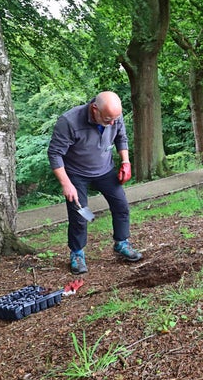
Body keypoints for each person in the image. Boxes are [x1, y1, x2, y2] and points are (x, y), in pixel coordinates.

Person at [47, 91, 142, 275]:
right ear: (94, 109)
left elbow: (121, 137)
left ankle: (121, 243)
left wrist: (126, 162)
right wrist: (66, 183)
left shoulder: (114, 116)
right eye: (108, 119)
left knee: (121, 205)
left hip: (105, 170)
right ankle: (77, 253)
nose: (112, 123)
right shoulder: (69, 121)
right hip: (76, 174)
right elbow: (55, 153)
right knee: (80, 216)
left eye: (115, 118)